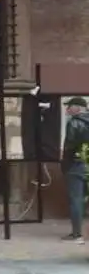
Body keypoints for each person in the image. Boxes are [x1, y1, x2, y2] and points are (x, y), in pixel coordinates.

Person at [61, 97, 89, 244]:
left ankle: (77, 234)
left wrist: (65, 164)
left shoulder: (74, 122)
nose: (67, 109)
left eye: (69, 106)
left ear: (78, 108)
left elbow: (69, 146)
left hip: (77, 165)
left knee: (76, 200)